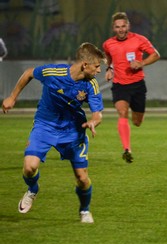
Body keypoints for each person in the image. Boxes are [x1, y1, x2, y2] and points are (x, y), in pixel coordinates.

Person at [2, 42, 106, 223]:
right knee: (29, 168)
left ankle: (84, 210)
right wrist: (12, 96)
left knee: (82, 178)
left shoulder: (91, 85)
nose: (99, 71)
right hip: (45, 125)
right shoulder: (54, 73)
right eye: (97, 66)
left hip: (73, 130)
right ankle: (33, 189)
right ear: (84, 65)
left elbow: (97, 113)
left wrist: (93, 121)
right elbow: (28, 73)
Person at [103, 12, 160, 163]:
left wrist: (142, 63)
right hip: (120, 85)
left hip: (137, 85)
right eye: (117, 27)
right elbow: (108, 56)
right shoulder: (108, 43)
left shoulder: (139, 40)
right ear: (113, 28)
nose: (121, 29)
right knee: (122, 112)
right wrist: (109, 69)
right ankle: (127, 149)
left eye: (123, 26)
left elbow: (155, 55)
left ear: (128, 26)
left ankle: (134, 124)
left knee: (137, 122)